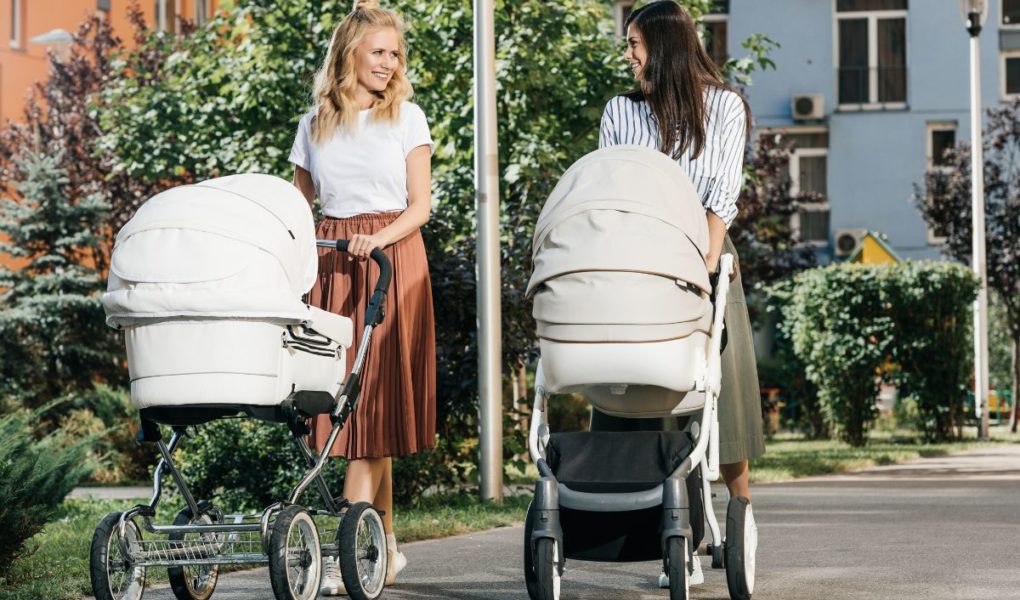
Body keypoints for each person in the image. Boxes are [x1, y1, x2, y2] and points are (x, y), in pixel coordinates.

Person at [593, 0, 764, 587]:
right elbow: (612, 181)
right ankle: (669, 532)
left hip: (703, 262)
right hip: (637, 265)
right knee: (643, 395)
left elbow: (720, 194)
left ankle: (739, 512)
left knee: (721, 397)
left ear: (663, 47)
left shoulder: (723, 108)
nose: (628, 55)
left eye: (636, 44)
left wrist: (704, 264)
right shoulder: (621, 110)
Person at [288, 0, 436, 594]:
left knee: (367, 405)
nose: (389, 62)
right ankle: (386, 546)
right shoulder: (312, 124)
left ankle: (344, 545)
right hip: (331, 265)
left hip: (389, 262)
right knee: (347, 402)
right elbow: (301, 209)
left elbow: (421, 205)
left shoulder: (406, 117)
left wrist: (376, 237)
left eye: (395, 53)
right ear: (349, 53)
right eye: (378, 51)